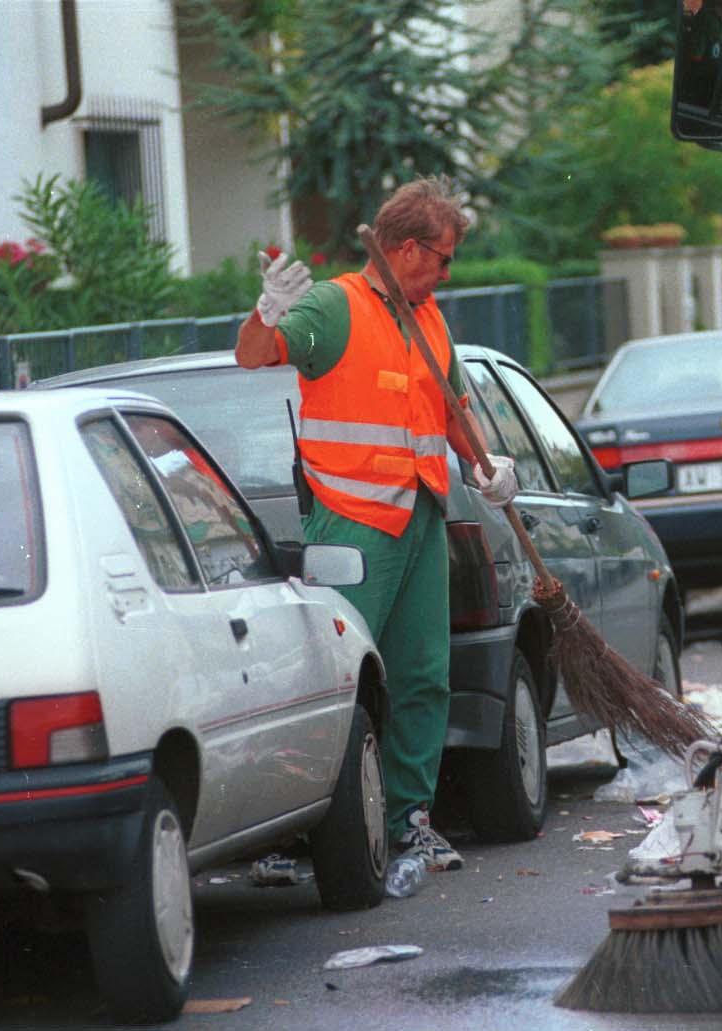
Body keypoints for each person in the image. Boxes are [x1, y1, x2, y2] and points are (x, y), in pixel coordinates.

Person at [234, 175, 517, 876]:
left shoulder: (428, 317)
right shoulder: (334, 307)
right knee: (342, 685)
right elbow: (254, 355)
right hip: (353, 525)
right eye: (443, 257)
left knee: (423, 675)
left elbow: (450, 405)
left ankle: (408, 820)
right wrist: (264, 312)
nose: (449, 272)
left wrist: (483, 462)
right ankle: (314, 833)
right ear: (405, 247)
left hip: (420, 513)